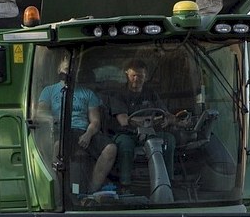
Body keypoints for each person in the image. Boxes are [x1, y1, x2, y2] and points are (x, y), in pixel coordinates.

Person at [37, 64, 116, 195]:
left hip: (83, 131)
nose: (69, 72)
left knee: (110, 149)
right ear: (59, 70)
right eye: (66, 69)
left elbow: (95, 121)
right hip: (60, 131)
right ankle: (59, 193)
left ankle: (91, 192)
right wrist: (51, 120)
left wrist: (88, 134)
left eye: (72, 69)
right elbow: (41, 112)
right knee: (58, 147)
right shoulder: (49, 91)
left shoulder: (88, 93)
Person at [107, 60, 176, 188]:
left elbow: (166, 114)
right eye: (133, 75)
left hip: (151, 133)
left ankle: (168, 182)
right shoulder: (118, 94)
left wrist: (169, 119)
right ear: (127, 74)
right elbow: (123, 120)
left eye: (140, 76)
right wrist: (150, 119)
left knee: (169, 140)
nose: (136, 79)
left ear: (146, 77)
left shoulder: (151, 93)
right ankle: (125, 185)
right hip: (127, 133)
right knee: (125, 146)